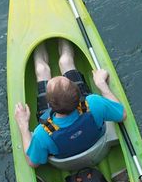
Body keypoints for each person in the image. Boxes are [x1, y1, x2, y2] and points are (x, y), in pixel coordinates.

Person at [13, 39, 126, 167]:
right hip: (97, 146)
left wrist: (23, 125)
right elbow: (122, 114)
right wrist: (102, 85)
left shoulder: (42, 133)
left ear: (49, 103)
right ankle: (63, 38)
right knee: (66, 61)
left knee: (41, 69)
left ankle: (37, 43)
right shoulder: (94, 103)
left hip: (66, 160)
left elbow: (33, 163)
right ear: (79, 92)